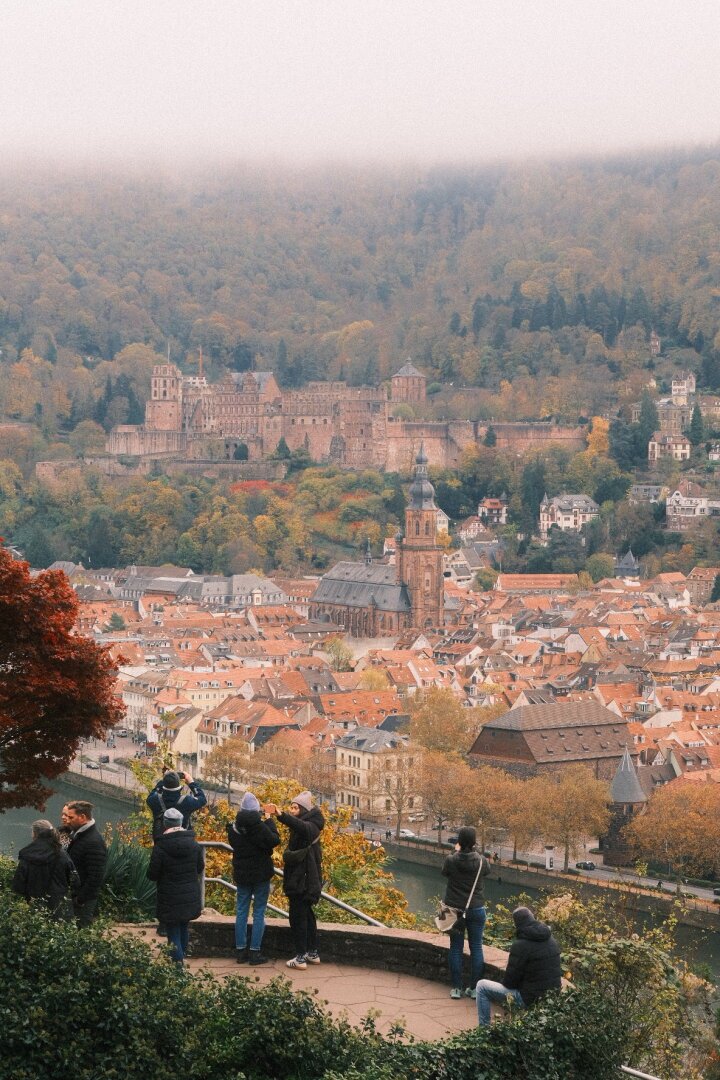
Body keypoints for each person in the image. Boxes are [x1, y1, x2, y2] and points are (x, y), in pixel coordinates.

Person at [264, 790, 324, 970]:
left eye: (295, 807)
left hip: (303, 879)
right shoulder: (309, 822)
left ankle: (300, 957)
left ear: (304, 809)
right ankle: (312, 952)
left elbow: (301, 827)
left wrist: (280, 814)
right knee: (306, 914)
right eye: (291, 807)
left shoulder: (312, 826)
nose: (292, 810)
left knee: (298, 916)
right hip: (305, 877)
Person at [475, 905, 562, 1026]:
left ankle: (483, 1030)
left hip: (530, 1000)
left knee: (481, 987)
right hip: (552, 998)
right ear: (532, 918)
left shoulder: (520, 945)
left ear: (517, 924)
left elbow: (510, 983)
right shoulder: (551, 939)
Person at [227, 791, 280, 965]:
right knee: (259, 912)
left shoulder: (233, 829)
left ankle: (240, 951)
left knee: (241, 911)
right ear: (257, 810)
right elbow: (274, 840)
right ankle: (255, 952)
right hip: (261, 875)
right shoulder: (260, 827)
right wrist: (269, 819)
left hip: (242, 875)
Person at [147, 806, 205, 965]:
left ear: (165, 824)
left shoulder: (160, 846)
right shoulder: (194, 845)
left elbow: (152, 874)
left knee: (173, 932)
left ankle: (178, 967)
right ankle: (181, 957)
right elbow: (200, 868)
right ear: (181, 822)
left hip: (169, 896)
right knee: (184, 928)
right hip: (189, 894)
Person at [441, 826, 490, 999]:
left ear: (459, 841)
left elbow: (445, 873)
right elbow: (487, 873)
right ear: (475, 842)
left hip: (454, 909)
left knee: (455, 948)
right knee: (476, 947)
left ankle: (456, 988)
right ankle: (475, 989)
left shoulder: (451, 860)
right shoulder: (482, 861)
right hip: (476, 908)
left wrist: (455, 852)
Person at [12, 819, 79, 920]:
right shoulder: (62, 855)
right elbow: (75, 881)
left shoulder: (27, 855)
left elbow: (18, 886)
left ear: (35, 834)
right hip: (60, 910)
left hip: (35, 909)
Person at [62, 800, 108, 927]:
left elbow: (96, 876)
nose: (68, 820)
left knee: (79, 933)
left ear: (82, 817)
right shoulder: (80, 835)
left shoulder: (93, 842)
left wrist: (80, 900)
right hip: (76, 896)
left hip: (83, 901)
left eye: (71, 817)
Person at [147, 767, 207, 838]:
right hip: (183, 842)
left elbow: (154, 791)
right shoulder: (187, 801)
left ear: (163, 786)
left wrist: (166, 778)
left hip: (161, 842)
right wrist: (191, 782)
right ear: (180, 788)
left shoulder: (154, 800)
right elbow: (202, 799)